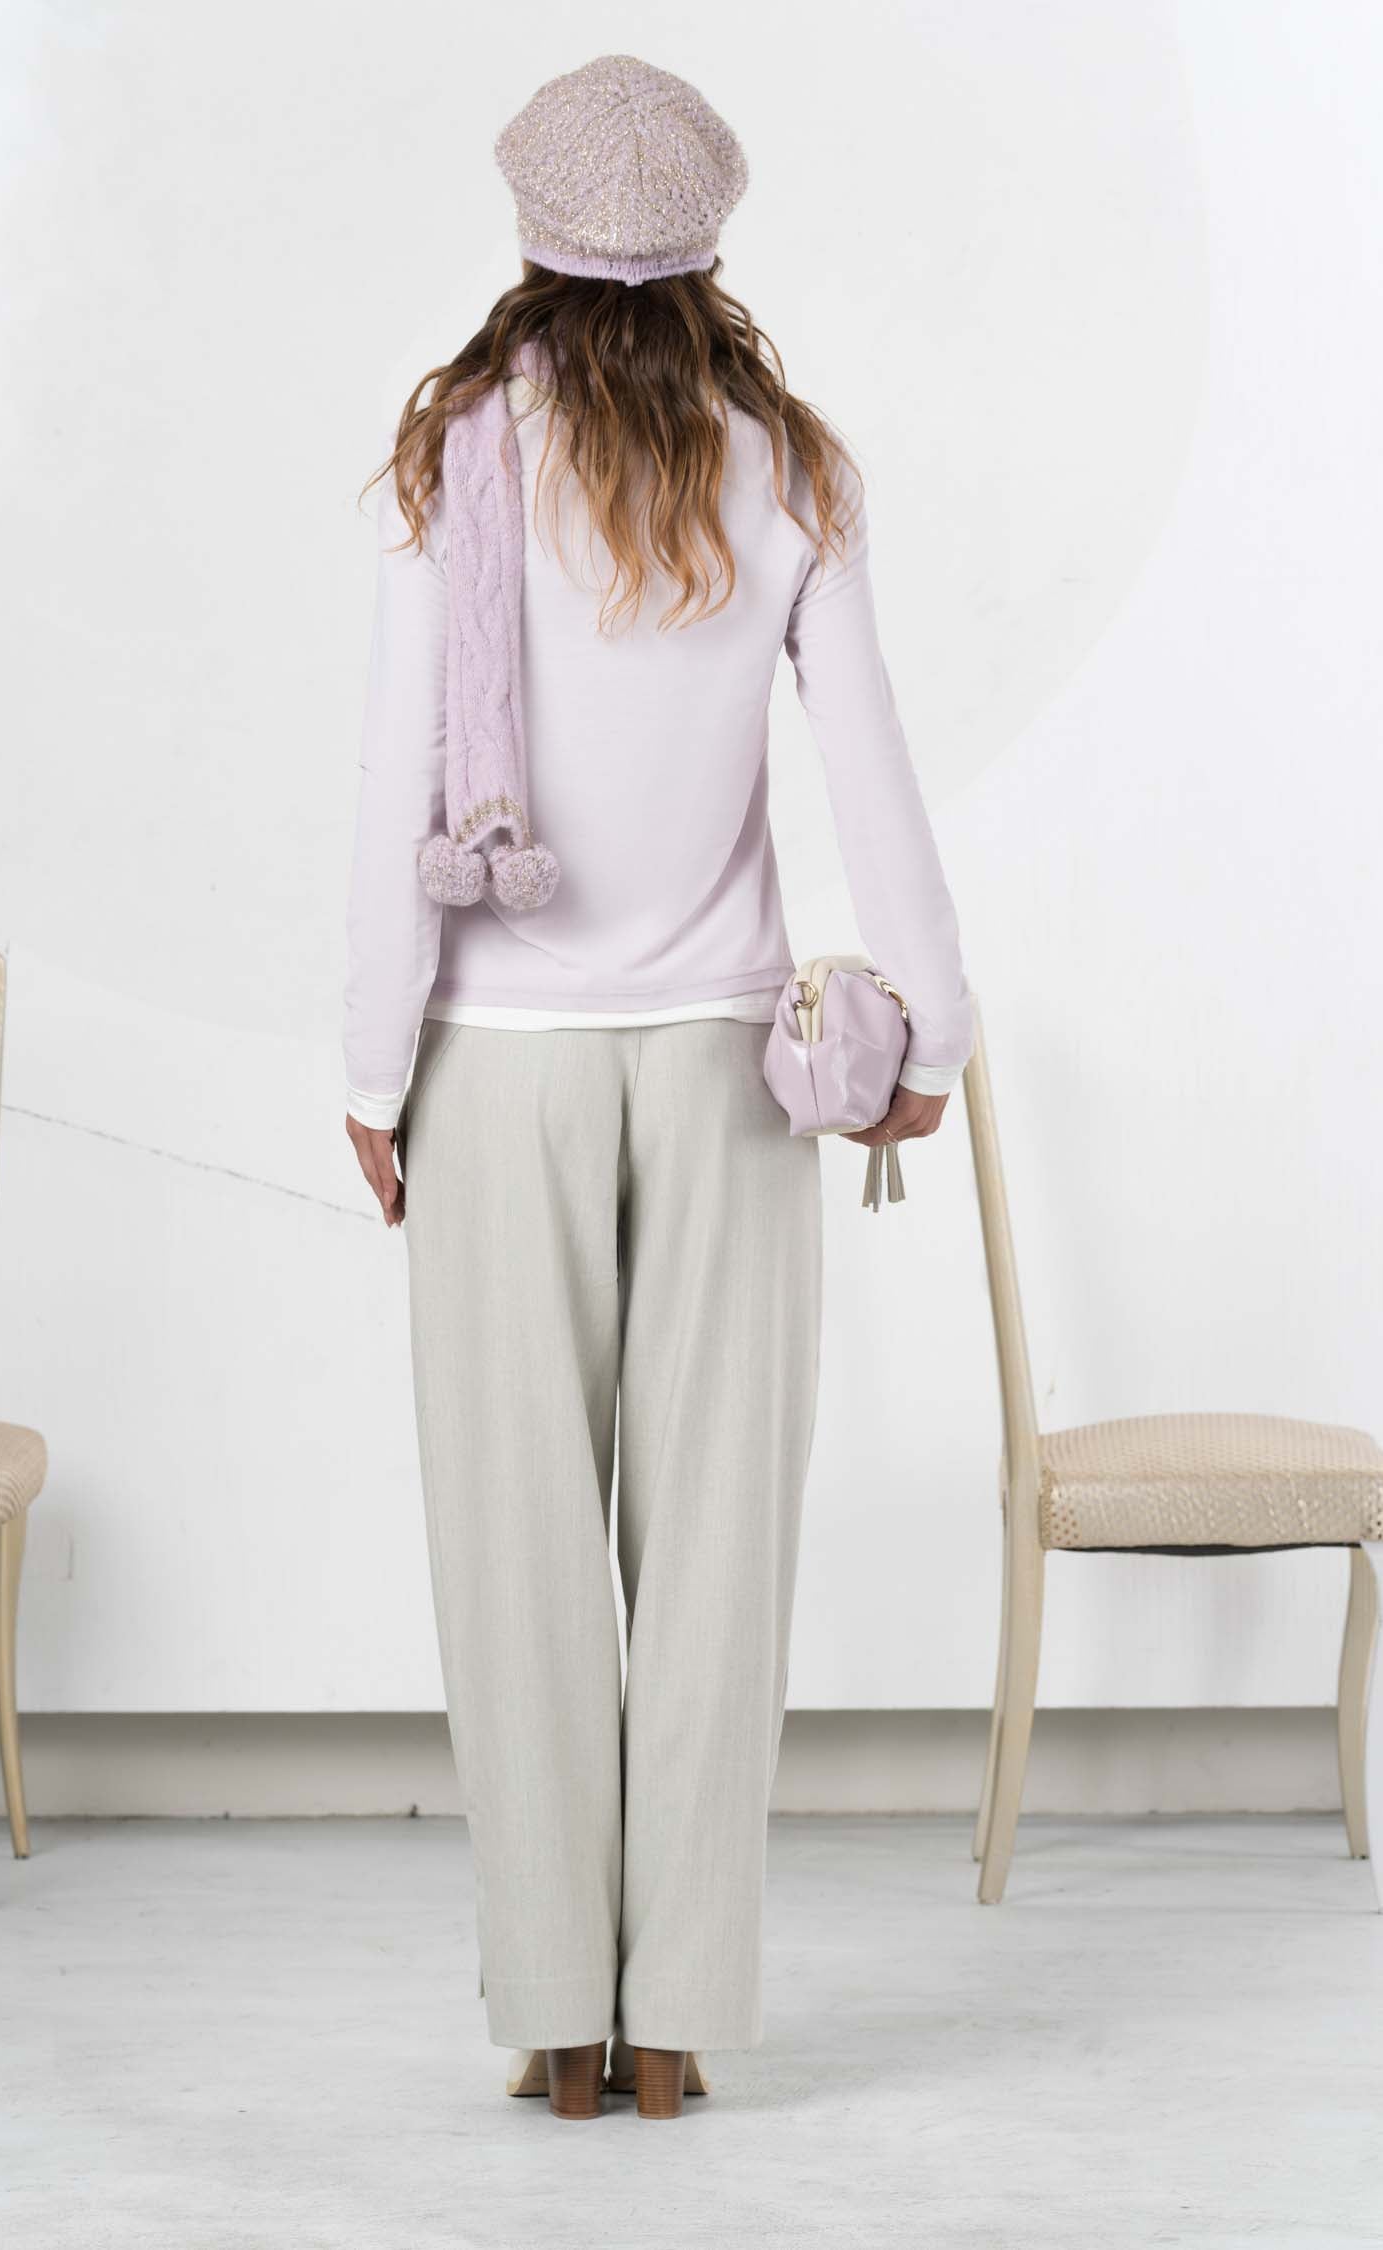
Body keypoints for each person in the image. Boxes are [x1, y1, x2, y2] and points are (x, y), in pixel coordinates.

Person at [343, 54, 972, 2121]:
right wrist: (931, 1037)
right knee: (716, 1551)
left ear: (530, 237)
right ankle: (680, 2011)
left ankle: (554, 2014)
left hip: (491, 1073)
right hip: (725, 1071)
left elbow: (395, 787)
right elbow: (869, 771)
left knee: (512, 1549)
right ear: (709, 243)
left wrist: (371, 1064)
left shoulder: (456, 462)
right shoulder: (785, 468)